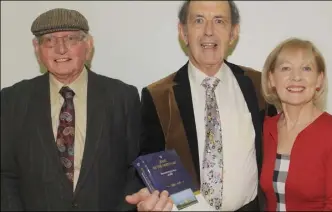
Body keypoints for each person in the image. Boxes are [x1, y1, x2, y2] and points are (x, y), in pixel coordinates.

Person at [126, 1, 276, 211]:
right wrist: (147, 195)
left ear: (233, 33)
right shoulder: (158, 96)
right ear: (183, 32)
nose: (208, 31)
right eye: (198, 20)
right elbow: (147, 166)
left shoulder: (259, 86)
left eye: (219, 21)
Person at [1, 8, 144, 211]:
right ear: (36, 48)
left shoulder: (122, 97)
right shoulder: (13, 100)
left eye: (70, 39)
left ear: (88, 45)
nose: (60, 49)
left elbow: (136, 168)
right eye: (49, 40)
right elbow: (5, 173)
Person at [259, 37, 332, 211]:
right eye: (286, 68)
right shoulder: (266, 128)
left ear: (319, 80)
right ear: (272, 79)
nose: (296, 77)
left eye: (306, 68)